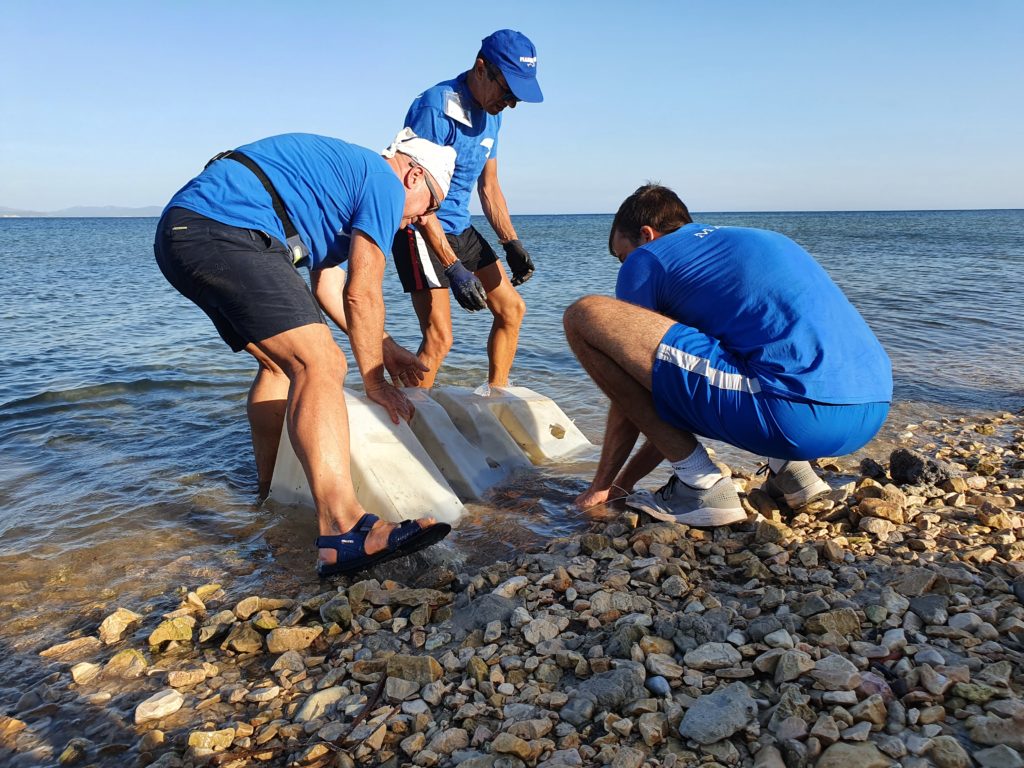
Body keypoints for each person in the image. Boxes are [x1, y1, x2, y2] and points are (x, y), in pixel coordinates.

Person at [154, 130, 457, 576]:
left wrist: (385, 347)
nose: (419, 220)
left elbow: (329, 286)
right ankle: (344, 527)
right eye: (429, 206)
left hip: (182, 233)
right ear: (414, 175)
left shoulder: (340, 187)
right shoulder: (385, 181)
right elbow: (363, 292)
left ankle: (270, 493)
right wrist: (374, 380)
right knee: (321, 362)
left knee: (282, 365)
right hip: (227, 230)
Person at [565, 184, 892, 527]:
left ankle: (701, 487)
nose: (626, 266)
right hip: (872, 407)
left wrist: (609, 486)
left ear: (646, 235)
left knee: (584, 315)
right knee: (745, 354)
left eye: (623, 256)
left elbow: (635, 387)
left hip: (793, 418)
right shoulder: (761, 239)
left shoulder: (648, 258)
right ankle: (793, 474)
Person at [390, 29, 543, 389]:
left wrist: (511, 243)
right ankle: (403, 420)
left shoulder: (494, 114)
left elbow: (489, 187)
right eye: (508, 91)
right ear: (481, 68)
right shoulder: (435, 108)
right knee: (440, 338)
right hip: (417, 229)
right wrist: (453, 268)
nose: (511, 103)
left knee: (511, 310)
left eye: (517, 96)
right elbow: (413, 193)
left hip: (460, 226)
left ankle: (496, 400)